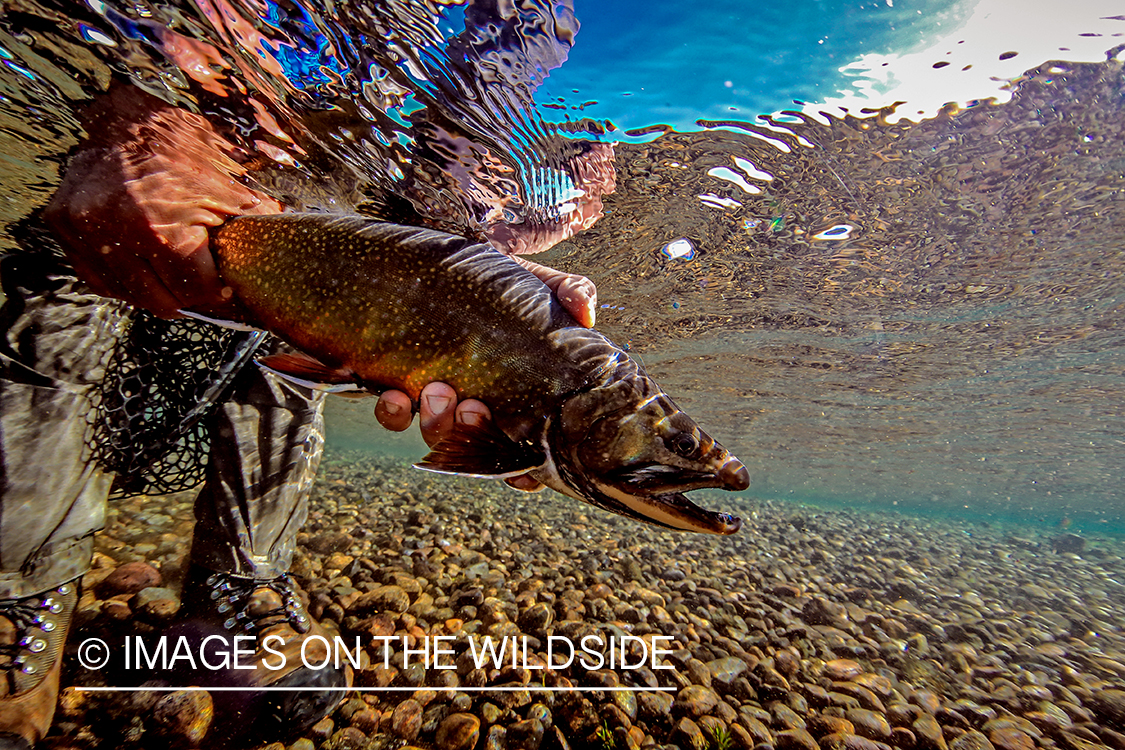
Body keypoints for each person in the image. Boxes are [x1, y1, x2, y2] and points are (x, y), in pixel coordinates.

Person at [0, 6, 617, 749]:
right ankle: (15, 583)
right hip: (199, 78)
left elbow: (512, 43)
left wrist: (466, 252)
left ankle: (242, 576)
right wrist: (148, 111)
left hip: (341, 146)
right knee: (69, 277)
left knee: (327, 335)